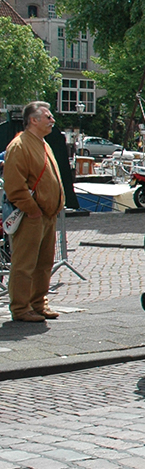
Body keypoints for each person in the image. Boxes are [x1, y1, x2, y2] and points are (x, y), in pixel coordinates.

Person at [3, 102, 66, 322]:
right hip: (32, 216)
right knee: (24, 264)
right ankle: (20, 308)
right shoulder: (19, 146)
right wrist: (32, 210)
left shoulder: (43, 143)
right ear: (33, 120)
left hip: (47, 215)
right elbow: (14, 185)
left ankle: (39, 303)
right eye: (47, 116)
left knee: (43, 263)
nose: (52, 120)